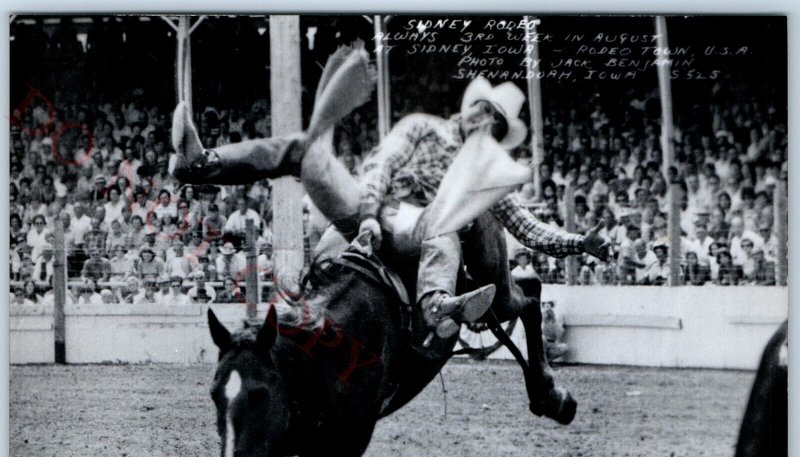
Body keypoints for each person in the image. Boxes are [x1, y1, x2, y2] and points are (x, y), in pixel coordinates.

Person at [170, 72, 608, 340]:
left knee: (447, 220)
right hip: (372, 205)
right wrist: (366, 216)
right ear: (469, 107)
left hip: (420, 228)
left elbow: (527, 227)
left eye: (494, 121)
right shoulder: (423, 126)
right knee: (305, 152)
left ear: (496, 131)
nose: (484, 121)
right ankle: (201, 163)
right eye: (483, 110)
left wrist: (578, 243)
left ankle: (436, 304)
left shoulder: (487, 173)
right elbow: (384, 162)